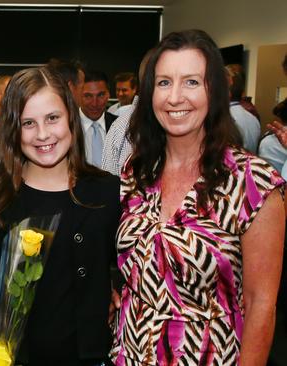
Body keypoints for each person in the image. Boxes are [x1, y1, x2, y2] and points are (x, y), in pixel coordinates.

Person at [111, 30, 285, 365]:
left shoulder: (254, 182)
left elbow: (261, 304)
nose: (175, 97)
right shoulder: (137, 171)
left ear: (215, 91)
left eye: (191, 82)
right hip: (130, 353)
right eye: (164, 83)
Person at [0, 67, 120, 365]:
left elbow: (127, 265)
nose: (43, 134)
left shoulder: (106, 193)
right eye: (28, 123)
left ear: (71, 119)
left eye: (53, 118)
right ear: (12, 128)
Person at [79, 70, 118, 167]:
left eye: (100, 95)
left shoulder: (120, 126)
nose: (94, 103)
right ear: (78, 95)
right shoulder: (67, 126)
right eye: (88, 96)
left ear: (108, 94)